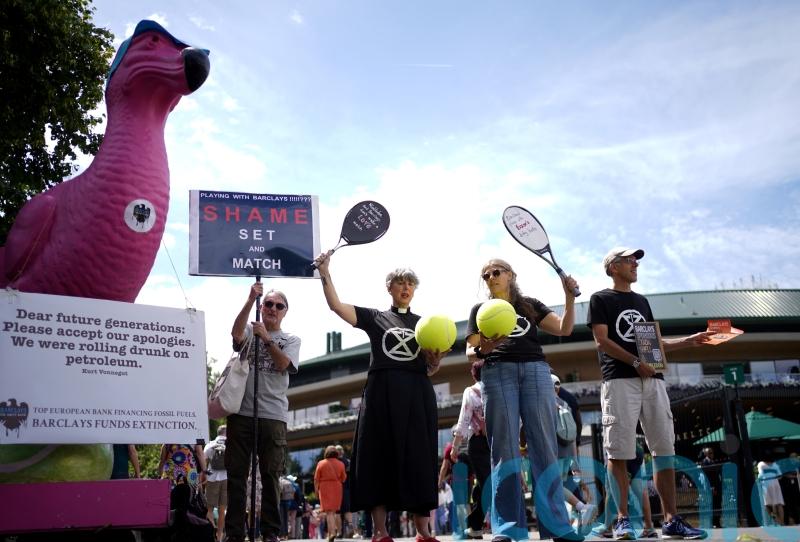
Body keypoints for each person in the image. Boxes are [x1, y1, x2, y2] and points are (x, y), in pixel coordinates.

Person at [314, 250, 446, 542]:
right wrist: (325, 272)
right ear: (390, 288)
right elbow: (336, 306)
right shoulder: (375, 318)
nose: (405, 288)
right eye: (400, 282)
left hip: (417, 395)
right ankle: (380, 531)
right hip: (381, 396)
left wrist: (435, 362)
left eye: (410, 283)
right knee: (378, 458)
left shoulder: (426, 325)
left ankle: (424, 531)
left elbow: (430, 369)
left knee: (420, 458)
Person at [587, 247, 714, 540]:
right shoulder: (600, 299)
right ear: (613, 267)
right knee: (618, 451)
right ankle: (621, 520)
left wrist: (690, 341)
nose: (636, 265)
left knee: (664, 448)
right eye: (630, 260)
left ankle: (671, 521)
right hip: (620, 380)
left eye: (636, 261)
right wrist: (634, 362)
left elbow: (652, 342)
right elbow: (601, 341)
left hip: (653, 380)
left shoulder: (642, 301)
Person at [465, 258, 582, 542]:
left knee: (544, 446)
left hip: (535, 370)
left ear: (511, 275)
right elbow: (471, 351)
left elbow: (564, 328)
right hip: (497, 372)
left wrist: (568, 295)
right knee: (503, 449)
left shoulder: (529, 304)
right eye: (486, 274)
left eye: (496, 271)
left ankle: (557, 526)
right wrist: (486, 347)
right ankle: (507, 529)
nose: (490, 276)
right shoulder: (480, 310)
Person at [225, 282, 302, 542]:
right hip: (241, 412)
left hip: (273, 415)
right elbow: (236, 333)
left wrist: (267, 340)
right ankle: (234, 532)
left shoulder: (291, 339)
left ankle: (270, 532)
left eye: (278, 306)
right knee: (236, 475)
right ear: (262, 306)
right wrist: (249, 300)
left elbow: (283, 365)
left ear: (285, 312)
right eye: (268, 304)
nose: (272, 309)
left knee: (271, 476)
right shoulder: (250, 328)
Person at [551, 375, 596, 533]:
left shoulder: (547, 403)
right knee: (559, 486)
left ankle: (582, 508)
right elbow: (573, 431)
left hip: (554, 451)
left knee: (554, 487)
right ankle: (571, 519)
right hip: (567, 452)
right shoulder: (565, 404)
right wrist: (575, 461)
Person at [450, 364, 491, 539]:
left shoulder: (470, 392)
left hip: (478, 443)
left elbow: (464, 420)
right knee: (489, 484)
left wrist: (454, 447)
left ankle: (473, 524)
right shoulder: (497, 389)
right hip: (496, 441)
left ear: (473, 375)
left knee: (487, 485)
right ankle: (475, 525)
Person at [316, 445, 348, 542]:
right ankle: (331, 533)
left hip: (324, 487)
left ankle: (332, 533)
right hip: (337, 487)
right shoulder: (341, 464)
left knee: (329, 512)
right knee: (333, 512)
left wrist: (317, 490)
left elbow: (316, 478)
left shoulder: (321, 463)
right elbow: (344, 478)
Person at [205, 426, 229, 542]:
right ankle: (219, 537)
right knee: (222, 510)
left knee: (209, 509)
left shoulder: (210, 445)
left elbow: (204, 462)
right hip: (226, 478)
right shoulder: (231, 445)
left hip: (211, 478)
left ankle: (211, 532)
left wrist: (203, 478)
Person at [757, 454, 785, 525]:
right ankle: (781, 522)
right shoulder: (775, 465)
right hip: (776, 484)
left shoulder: (761, 464)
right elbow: (780, 476)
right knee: (779, 503)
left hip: (766, 484)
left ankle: (775, 520)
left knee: (767, 504)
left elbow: (760, 475)